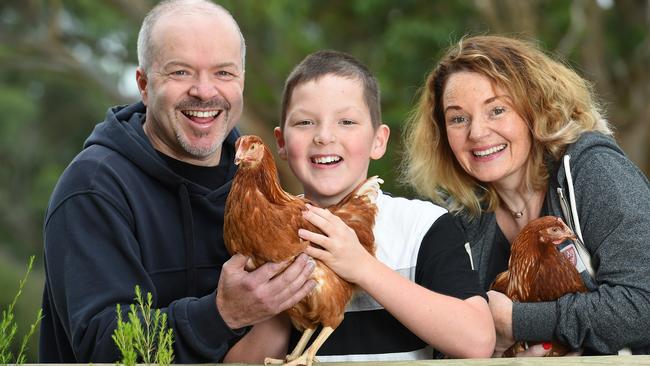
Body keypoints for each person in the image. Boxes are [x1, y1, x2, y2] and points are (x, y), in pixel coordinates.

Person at [39, 0, 316, 363]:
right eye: (181, 72)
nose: (204, 91)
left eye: (223, 73)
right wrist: (220, 315)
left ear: (241, 81)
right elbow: (103, 348)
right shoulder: (94, 188)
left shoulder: (256, 182)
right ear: (143, 84)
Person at [224, 50, 495, 363]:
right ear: (281, 142)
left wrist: (362, 267)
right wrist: (281, 297)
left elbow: (477, 341)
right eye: (305, 122)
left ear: (378, 141)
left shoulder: (423, 226)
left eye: (347, 121)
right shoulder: (256, 231)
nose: (324, 136)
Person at [402, 34, 650, 356]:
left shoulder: (594, 171)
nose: (476, 133)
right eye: (458, 118)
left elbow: (642, 305)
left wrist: (516, 321)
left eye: (497, 110)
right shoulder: (463, 218)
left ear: (536, 109)